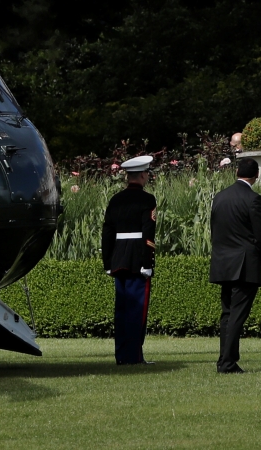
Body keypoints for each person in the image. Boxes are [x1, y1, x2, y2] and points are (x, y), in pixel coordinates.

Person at [209, 158, 261, 373]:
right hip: (244, 264)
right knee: (237, 315)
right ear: (256, 176)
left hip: (223, 262)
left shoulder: (220, 197)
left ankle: (223, 359)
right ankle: (227, 362)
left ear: (236, 172)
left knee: (227, 313)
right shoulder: (253, 199)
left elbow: (214, 231)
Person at [102, 155, 157, 365]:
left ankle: (122, 355)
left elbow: (107, 232)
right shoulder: (147, 199)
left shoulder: (115, 199)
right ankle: (133, 356)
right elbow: (148, 232)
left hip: (118, 257)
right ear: (143, 175)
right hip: (137, 259)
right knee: (137, 311)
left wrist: (107, 262)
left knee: (122, 310)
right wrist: (147, 263)